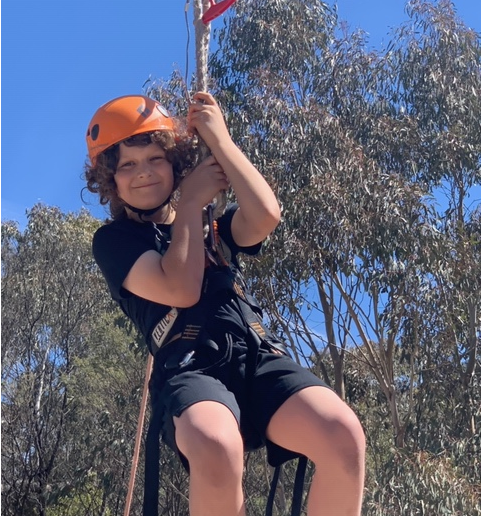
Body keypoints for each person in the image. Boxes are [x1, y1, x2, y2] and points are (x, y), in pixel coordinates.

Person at [84, 91, 365, 516]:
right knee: (216, 444)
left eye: (155, 159)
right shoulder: (114, 242)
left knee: (341, 433)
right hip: (190, 364)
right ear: (112, 181)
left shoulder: (212, 227)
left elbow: (265, 215)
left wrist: (222, 143)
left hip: (253, 353)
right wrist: (192, 202)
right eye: (127, 165)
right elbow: (180, 289)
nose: (143, 172)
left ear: (175, 165)